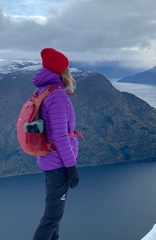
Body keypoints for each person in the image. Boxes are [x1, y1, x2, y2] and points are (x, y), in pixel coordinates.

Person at [32, 48, 80, 240]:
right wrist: (71, 167)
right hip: (58, 164)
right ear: (62, 71)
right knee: (52, 217)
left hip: (49, 160)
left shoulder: (43, 89)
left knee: (55, 216)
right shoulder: (57, 95)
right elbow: (60, 136)